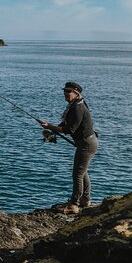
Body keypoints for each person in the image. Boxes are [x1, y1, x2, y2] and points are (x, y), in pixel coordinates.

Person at [40, 81, 98, 215]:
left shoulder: (78, 108)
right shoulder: (74, 105)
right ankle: (85, 200)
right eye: (64, 91)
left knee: (77, 173)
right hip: (86, 142)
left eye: (68, 91)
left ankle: (74, 204)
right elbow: (65, 123)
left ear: (76, 93)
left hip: (86, 144)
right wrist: (53, 129)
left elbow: (69, 130)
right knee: (82, 172)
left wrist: (50, 126)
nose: (65, 94)